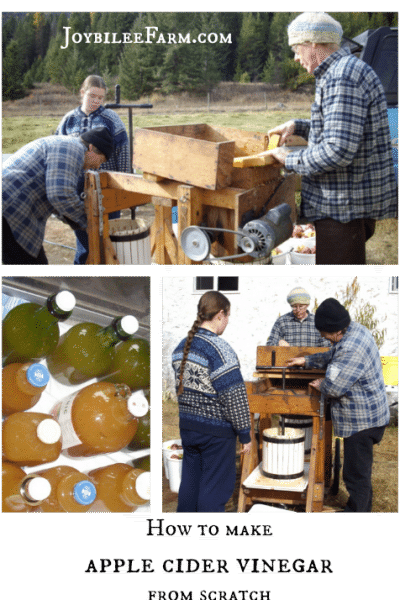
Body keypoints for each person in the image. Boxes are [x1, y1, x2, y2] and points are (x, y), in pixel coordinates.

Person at [265, 11, 397, 265]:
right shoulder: (343, 70)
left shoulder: (342, 77)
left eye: (297, 48)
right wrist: (298, 126)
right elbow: (344, 127)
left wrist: (287, 159)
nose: (295, 57)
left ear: (314, 43)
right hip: (348, 206)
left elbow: (338, 150)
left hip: (343, 209)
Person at [286, 298, 390, 512]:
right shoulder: (353, 331)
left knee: (355, 474)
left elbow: (334, 388)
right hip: (368, 414)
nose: (326, 340)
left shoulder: (352, 348)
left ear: (334, 332)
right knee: (358, 471)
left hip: (363, 420)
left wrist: (321, 384)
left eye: (325, 336)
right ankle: (359, 507)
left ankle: (358, 514)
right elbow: (333, 354)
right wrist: (306, 361)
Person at [171, 291, 251, 513]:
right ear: (220, 315)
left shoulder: (180, 348)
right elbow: (234, 397)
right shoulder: (220, 350)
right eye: (228, 317)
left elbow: (179, 388)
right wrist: (245, 435)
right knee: (214, 491)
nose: (227, 322)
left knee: (190, 486)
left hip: (188, 428)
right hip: (216, 434)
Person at [1, 127, 113, 265]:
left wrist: (76, 221)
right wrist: (89, 221)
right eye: (100, 160)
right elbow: (60, 196)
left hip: (10, 207)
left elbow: (57, 200)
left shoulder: (64, 144)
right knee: (33, 275)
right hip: (11, 207)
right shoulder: (73, 148)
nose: (97, 166)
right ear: (91, 147)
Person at [55, 75, 130, 264]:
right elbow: (58, 151)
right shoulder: (68, 120)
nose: (96, 101)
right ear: (82, 93)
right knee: (85, 245)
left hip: (107, 190)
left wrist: (127, 187)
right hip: (78, 190)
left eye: (100, 98)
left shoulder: (111, 120)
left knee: (109, 242)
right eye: (92, 96)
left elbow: (123, 152)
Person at [267, 286, 331, 347]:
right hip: (288, 358)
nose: (298, 310)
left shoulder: (318, 322)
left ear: (307, 305)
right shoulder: (282, 321)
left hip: (312, 358)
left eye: (301, 306)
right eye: (294, 307)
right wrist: (278, 343)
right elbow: (269, 344)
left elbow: (327, 346)